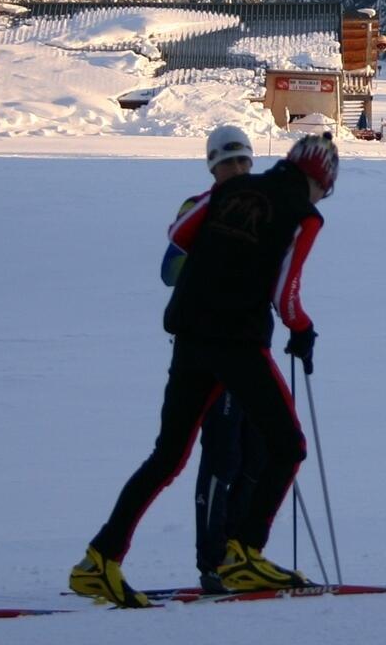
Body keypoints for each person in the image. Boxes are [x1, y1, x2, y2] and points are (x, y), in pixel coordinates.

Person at [71, 134, 337, 607]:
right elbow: (286, 291)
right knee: (288, 445)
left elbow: (179, 235)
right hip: (238, 342)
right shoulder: (304, 214)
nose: (322, 197)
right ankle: (244, 553)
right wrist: (302, 330)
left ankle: (99, 561)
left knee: (168, 457)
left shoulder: (229, 190)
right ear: (320, 181)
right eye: (326, 190)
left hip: (190, 336)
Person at [160, 126, 260, 594]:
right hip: (207, 351)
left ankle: (242, 555)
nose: (238, 170)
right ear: (213, 167)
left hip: (249, 351)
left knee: (257, 454)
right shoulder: (197, 208)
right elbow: (169, 270)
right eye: (228, 162)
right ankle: (213, 561)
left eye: (244, 162)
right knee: (222, 456)